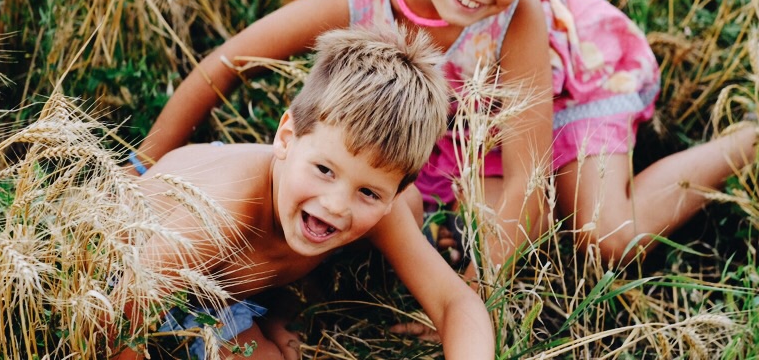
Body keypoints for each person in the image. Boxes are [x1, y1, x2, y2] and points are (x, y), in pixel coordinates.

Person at [131, 0, 759, 274]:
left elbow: (526, 176)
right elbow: (227, 63)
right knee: (403, 219)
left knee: (602, 238)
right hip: (468, 122)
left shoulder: (520, 17)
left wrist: (477, 293)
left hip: (571, 86)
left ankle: (747, 144)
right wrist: (142, 167)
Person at [115, 26, 493, 360]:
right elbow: (119, 311)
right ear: (286, 137)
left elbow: (453, 302)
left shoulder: (385, 202)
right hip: (151, 282)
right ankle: (281, 305)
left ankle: (284, 304)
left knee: (411, 212)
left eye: (369, 192)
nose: (335, 204)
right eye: (324, 170)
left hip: (231, 288)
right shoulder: (219, 207)